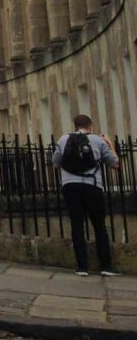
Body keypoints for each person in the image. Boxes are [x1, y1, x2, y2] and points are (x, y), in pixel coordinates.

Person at [51, 114, 120, 276]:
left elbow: (55, 164)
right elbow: (115, 164)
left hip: (70, 187)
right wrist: (110, 144)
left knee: (77, 225)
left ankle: (82, 267)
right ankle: (106, 266)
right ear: (90, 125)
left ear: (75, 126)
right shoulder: (98, 140)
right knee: (99, 225)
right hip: (92, 186)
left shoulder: (63, 139)